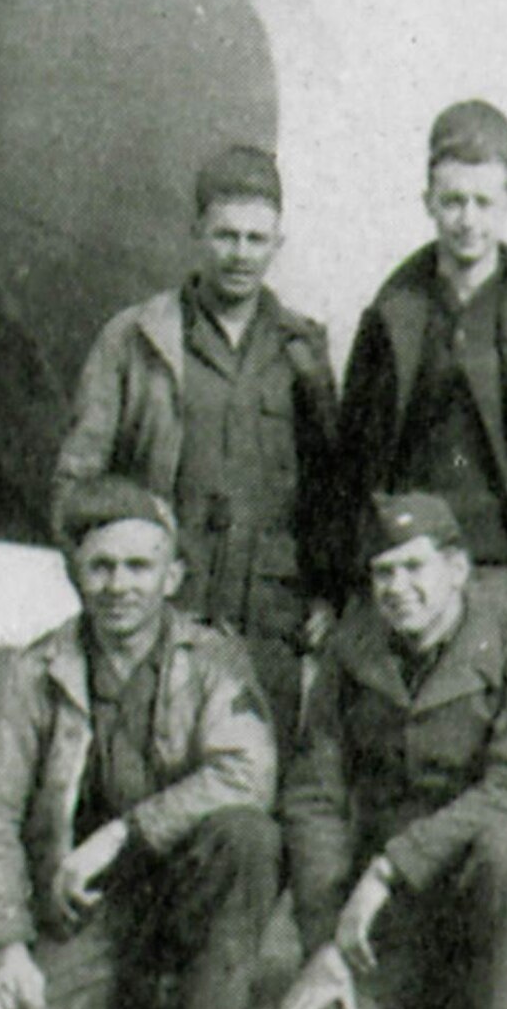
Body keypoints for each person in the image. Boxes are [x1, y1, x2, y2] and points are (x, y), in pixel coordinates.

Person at [0, 476, 279, 1009]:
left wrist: (121, 835)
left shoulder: (213, 659)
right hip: (85, 913)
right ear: (77, 575)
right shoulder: (38, 673)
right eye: (101, 567)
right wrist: (6, 948)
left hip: (185, 895)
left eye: (139, 566)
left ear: (173, 576)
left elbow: (248, 772)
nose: (119, 586)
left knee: (248, 834)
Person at [273, 492, 507, 1009]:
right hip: (394, 921)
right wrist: (323, 942)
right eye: (383, 572)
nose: (397, 587)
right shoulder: (350, 650)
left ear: (457, 569)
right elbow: (315, 800)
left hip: (488, 902)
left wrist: (390, 866)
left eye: (415, 568)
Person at [56, 144, 342, 756]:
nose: (241, 255)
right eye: (226, 236)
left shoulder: (304, 351)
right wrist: (113, 589)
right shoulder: (136, 340)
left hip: (269, 617)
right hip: (168, 610)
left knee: (260, 780)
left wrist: (327, 590)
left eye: (256, 239)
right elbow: (77, 484)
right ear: (197, 233)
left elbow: (329, 486)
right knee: (152, 774)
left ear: (277, 243)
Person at [340, 100, 507, 717]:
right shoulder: (391, 322)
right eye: (452, 201)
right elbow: (354, 468)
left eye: (484, 203)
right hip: (417, 582)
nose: (468, 220)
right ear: (428, 201)